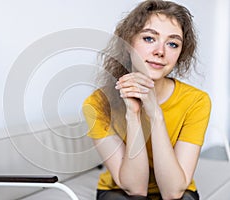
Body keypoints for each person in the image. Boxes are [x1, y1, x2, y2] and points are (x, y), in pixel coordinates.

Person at [82, 0, 211, 200]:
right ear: (128, 42)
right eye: (149, 38)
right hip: (120, 191)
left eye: (172, 43)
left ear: (180, 53)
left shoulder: (197, 101)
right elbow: (135, 189)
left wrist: (155, 114)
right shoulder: (96, 104)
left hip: (176, 190)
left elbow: (173, 192)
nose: (160, 51)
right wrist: (133, 115)